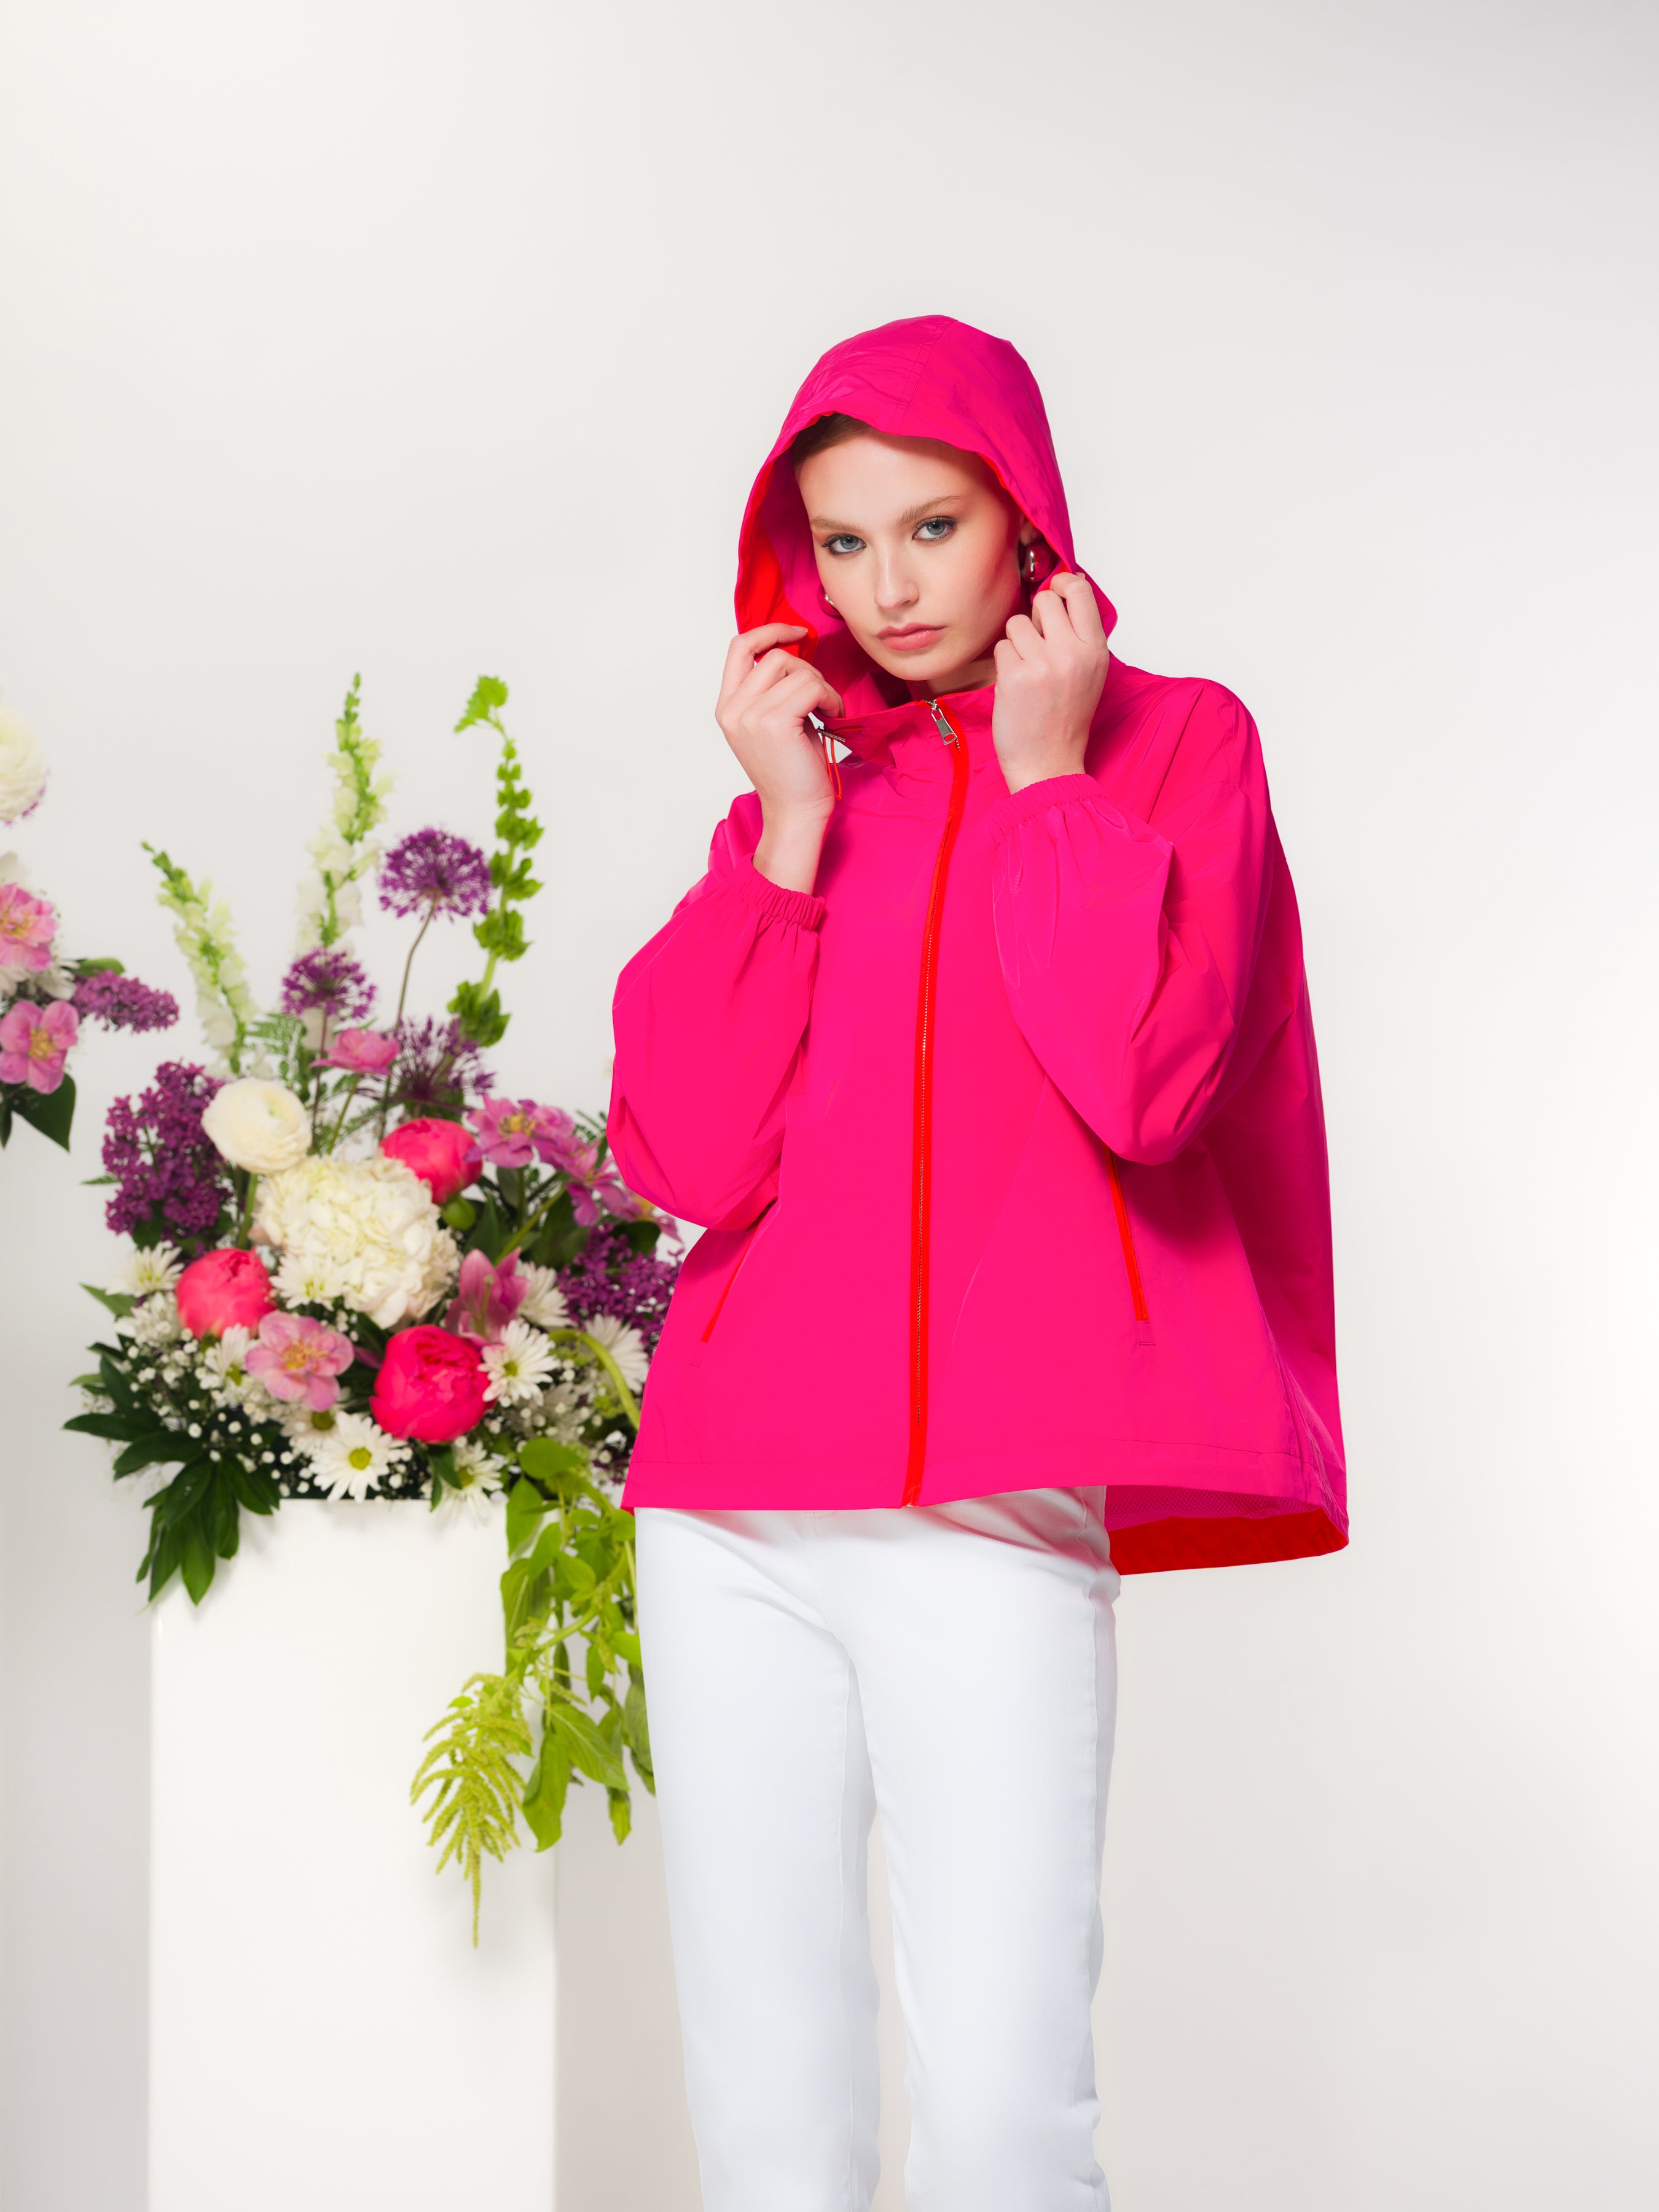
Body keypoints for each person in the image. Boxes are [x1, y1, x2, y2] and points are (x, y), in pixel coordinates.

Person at [606, 315, 1346, 2212]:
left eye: (929, 528)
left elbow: (1144, 1084)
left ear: (1024, 520)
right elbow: (685, 1159)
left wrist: (1045, 780)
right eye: (842, 543)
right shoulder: (797, 796)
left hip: (992, 1501)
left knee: (1009, 2114)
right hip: (728, 1508)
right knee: (768, 2120)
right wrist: (780, 831)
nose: (887, 587)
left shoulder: (1176, 745)